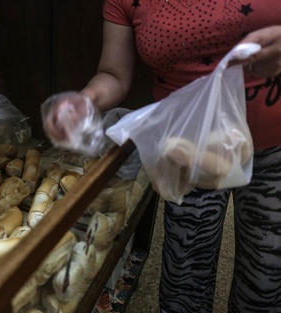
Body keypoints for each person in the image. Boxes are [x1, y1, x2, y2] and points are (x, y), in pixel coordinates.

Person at [43, 1, 281, 312]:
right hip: (187, 154)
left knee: (265, 280)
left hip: (274, 146)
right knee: (184, 278)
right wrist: (86, 100)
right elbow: (113, 74)